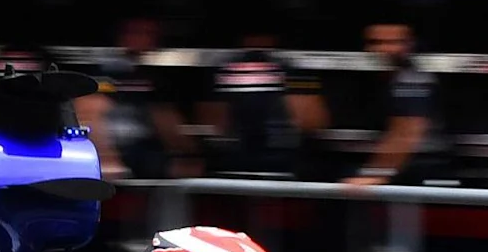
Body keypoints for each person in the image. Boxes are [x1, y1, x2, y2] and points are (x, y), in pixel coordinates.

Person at [86, 16, 196, 181]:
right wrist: (106, 157)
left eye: (149, 34)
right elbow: (89, 110)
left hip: (145, 150)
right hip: (108, 148)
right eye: (135, 32)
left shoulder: (158, 72)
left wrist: (188, 155)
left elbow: (165, 117)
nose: (141, 39)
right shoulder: (103, 68)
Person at [204, 30, 317, 179]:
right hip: (256, 162)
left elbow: (310, 120)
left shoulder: (222, 67)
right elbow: (311, 120)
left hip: (274, 163)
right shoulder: (290, 67)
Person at [346, 21, 446, 188]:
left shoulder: (413, 79)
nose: (384, 49)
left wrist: (375, 174)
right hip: (401, 166)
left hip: (423, 166)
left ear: (409, 45)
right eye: (376, 43)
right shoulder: (376, 80)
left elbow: (406, 133)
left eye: (393, 42)